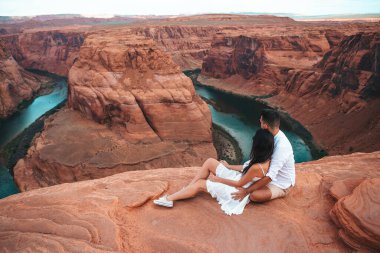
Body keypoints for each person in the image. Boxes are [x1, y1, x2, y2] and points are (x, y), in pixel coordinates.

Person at [153, 129, 274, 215]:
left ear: (259, 146)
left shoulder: (258, 167)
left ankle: (169, 199)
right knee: (210, 161)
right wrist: (229, 166)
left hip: (236, 190)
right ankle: (189, 188)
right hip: (238, 178)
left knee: (201, 185)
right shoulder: (266, 157)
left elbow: (239, 184)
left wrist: (218, 180)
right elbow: (245, 167)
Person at [231, 109, 295, 203]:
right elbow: (253, 164)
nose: (259, 122)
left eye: (260, 121)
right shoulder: (269, 137)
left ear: (265, 125)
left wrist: (246, 191)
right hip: (265, 175)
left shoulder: (281, 146)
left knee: (253, 195)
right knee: (241, 181)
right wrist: (228, 166)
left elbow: (270, 176)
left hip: (280, 184)